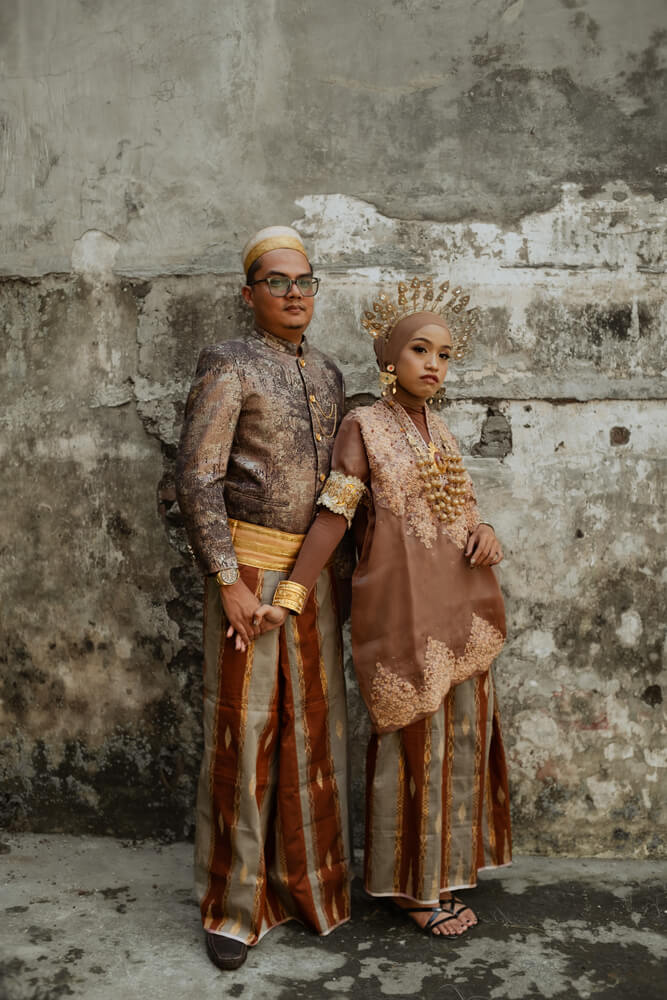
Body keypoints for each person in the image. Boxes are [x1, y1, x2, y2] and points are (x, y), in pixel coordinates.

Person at [255, 276, 512, 938]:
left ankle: (445, 873)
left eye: (445, 354)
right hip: (403, 613)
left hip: (464, 606)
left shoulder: (441, 429)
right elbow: (333, 517)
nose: (433, 364)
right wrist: (290, 594)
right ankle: (409, 889)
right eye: (420, 349)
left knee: (458, 741)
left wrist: (486, 531)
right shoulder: (363, 426)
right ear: (389, 357)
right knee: (411, 744)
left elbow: (460, 512)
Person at [176, 226, 351, 971]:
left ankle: (308, 888)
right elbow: (197, 478)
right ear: (248, 293)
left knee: (314, 731)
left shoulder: (331, 371)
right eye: (275, 281)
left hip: (313, 579)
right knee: (243, 737)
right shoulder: (229, 362)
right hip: (246, 573)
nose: (293, 293)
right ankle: (233, 908)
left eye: (303, 280)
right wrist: (227, 581)